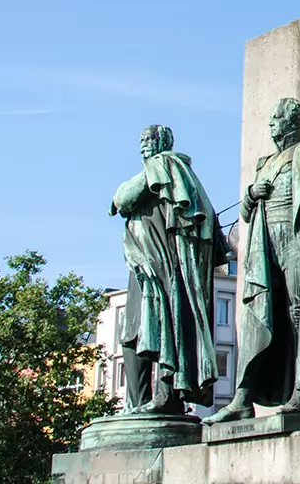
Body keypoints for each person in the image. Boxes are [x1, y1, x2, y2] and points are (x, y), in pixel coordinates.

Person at [219, 99, 300, 419]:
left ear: (293, 122)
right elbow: (245, 213)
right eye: (271, 118)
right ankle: (242, 397)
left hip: (299, 240)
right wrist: (251, 194)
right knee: (262, 314)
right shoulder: (265, 162)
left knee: (299, 313)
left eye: (276, 118)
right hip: (264, 246)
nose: (270, 124)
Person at [110, 125, 222, 414]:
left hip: (163, 268)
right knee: (133, 333)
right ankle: (136, 402)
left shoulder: (167, 165)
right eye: (141, 140)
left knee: (163, 331)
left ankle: (165, 398)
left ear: (163, 142)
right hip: (141, 267)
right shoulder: (160, 171)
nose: (144, 145)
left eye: (149, 139)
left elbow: (121, 199)